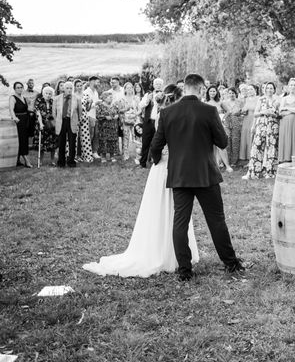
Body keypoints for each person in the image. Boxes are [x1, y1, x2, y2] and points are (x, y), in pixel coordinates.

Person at [83, 85, 201, 278]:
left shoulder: (163, 115)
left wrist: (156, 158)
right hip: (174, 166)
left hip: (162, 166)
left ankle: (167, 252)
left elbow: (157, 144)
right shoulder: (178, 116)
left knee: (165, 208)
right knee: (177, 209)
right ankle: (172, 254)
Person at [150, 76, 244, 280]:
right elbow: (222, 141)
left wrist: (158, 161)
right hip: (205, 174)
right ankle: (231, 263)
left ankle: (184, 271)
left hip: (180, 175)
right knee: (216, 220)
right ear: (201, 88)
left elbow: (155, 146)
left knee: (180, 222)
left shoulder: (167, 112)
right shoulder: (209, 111)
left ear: (186, 88)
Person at [244, 82, 280, 179]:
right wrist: (264, 112)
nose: (269, 90)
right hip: (262, 125)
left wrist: (274, 113)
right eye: (267, 88)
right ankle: (254, 171)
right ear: (265, 89)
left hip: (273, 126)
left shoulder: (277, 100)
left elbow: (279, 115)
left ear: (274, 90)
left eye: (271, 88)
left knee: (271, 148)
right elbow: (255, 113)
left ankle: (270, 171)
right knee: (258, 147)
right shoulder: (261, 99)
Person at [52, 81, 82, 168]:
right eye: (67, 88)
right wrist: (57, 121)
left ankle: (71, 161)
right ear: (63, 89)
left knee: (72, 143)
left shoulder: (77, 98)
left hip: (72, 121)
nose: (69, 90)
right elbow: (54, 113)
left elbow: (80, 112)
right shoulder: (57, 98)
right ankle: (61, 162)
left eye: (71, 88)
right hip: (61, 122)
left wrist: (77, 121)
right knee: (61, 142)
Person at [278, 78, 295, 163]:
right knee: (287, 139)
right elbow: (281, 112)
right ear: (288, 87)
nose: (293, 87)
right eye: (291, 85)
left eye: (294, 85)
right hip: (285, 124)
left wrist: (287, 108)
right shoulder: (284, 98)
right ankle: (286, 159)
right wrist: (293, 109)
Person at [139, 77, 164, 168]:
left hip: (159, 122)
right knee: (145, 142)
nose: (158, 85)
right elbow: (140, 105)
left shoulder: (164, 95)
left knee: (157, 142)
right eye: (156, 84)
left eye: (160, 84)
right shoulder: (148, 94)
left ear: (162, 86)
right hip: (148, 121)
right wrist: (148, 100)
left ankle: (156, 162)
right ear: (153, 85)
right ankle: (142, 162)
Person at [9, 81, 33, 167]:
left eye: (21, 87)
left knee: (24, 139)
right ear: (14, 89)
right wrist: (14, 118)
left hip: (26, 120)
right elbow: (11, 109)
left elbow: (27, 109)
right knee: (22, 140)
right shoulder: (13, 98)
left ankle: (17, 160)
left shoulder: (23, 97)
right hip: (18, 121)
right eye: (17, 88)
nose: (19, 89)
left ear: (23, 88)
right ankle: (27, 161)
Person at [34, 86, 57, 165]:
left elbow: (54, 113)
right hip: (42, 123)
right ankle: (40, 161)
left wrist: (55, 123)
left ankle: (52, 160)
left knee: (53, 143)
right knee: (42, 143)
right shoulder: (39, 101)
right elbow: (38, 113)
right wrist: (40, 123)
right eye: (46, 93)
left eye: (50, 94)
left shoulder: (52, 101)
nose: (48, 95)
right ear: (43, 94)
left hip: (51, 124)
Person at [221, 88, 244, 166]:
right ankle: (227, 160)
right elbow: (222, 113)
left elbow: (243, 112)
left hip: (236, 123)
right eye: (230, 93)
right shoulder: (224, 103)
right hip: (227, 123)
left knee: (235, 140)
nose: (231, 94)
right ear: (227, 94)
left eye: (233, 93)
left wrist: (239, 114)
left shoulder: (240, 102)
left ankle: (234, 161)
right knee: (227, 140)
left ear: (236, 93)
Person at [96, 91, 120, 163]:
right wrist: (105, 117)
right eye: (110, 97)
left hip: (113, 127)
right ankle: (103, 157)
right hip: (104, 128)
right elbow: (97, 115)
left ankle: (112, 156)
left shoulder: (114, 106)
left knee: (112, 141)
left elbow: (117, 112)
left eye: (111, 97)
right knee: (104, 141)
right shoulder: (100, 106)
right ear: (105, 98)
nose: (111, 99)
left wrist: (117, 116)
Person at [121, 82, 140, 162]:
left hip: (135, 120)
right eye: (128, 88)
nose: (129, 89)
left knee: (136, 138)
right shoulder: (122, 99)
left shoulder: (136, 98)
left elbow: (140, 110)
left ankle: (138, 155)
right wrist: (126, 109)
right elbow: (120, 111)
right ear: (125, 89)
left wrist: (136, 114)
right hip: (125, 121)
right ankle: (125, 155)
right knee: (125, 138)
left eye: (131, 87)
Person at [239, 84, 258, 162]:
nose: (249, 91)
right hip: (246, 120)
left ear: (255, 90)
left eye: (251, 89)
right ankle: (247, 157)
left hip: (255, 119)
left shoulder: (258, 99)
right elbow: (241, 110)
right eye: (248, 90)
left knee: (253, 137)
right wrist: (243, 110)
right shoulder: (245, 99)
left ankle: (254, 156)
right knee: (246, 137)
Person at [83, 76, 101, 159]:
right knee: (90, 135)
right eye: (97, 82)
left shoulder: (96, 92)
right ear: (91, 82)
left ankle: (94, 152)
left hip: (95, 116)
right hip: (89, 116)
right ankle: (87, 152)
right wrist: (95, 104)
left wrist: (97, 105)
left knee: (96, 135)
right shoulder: (86, 92)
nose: (98, 83)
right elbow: (86, 106)